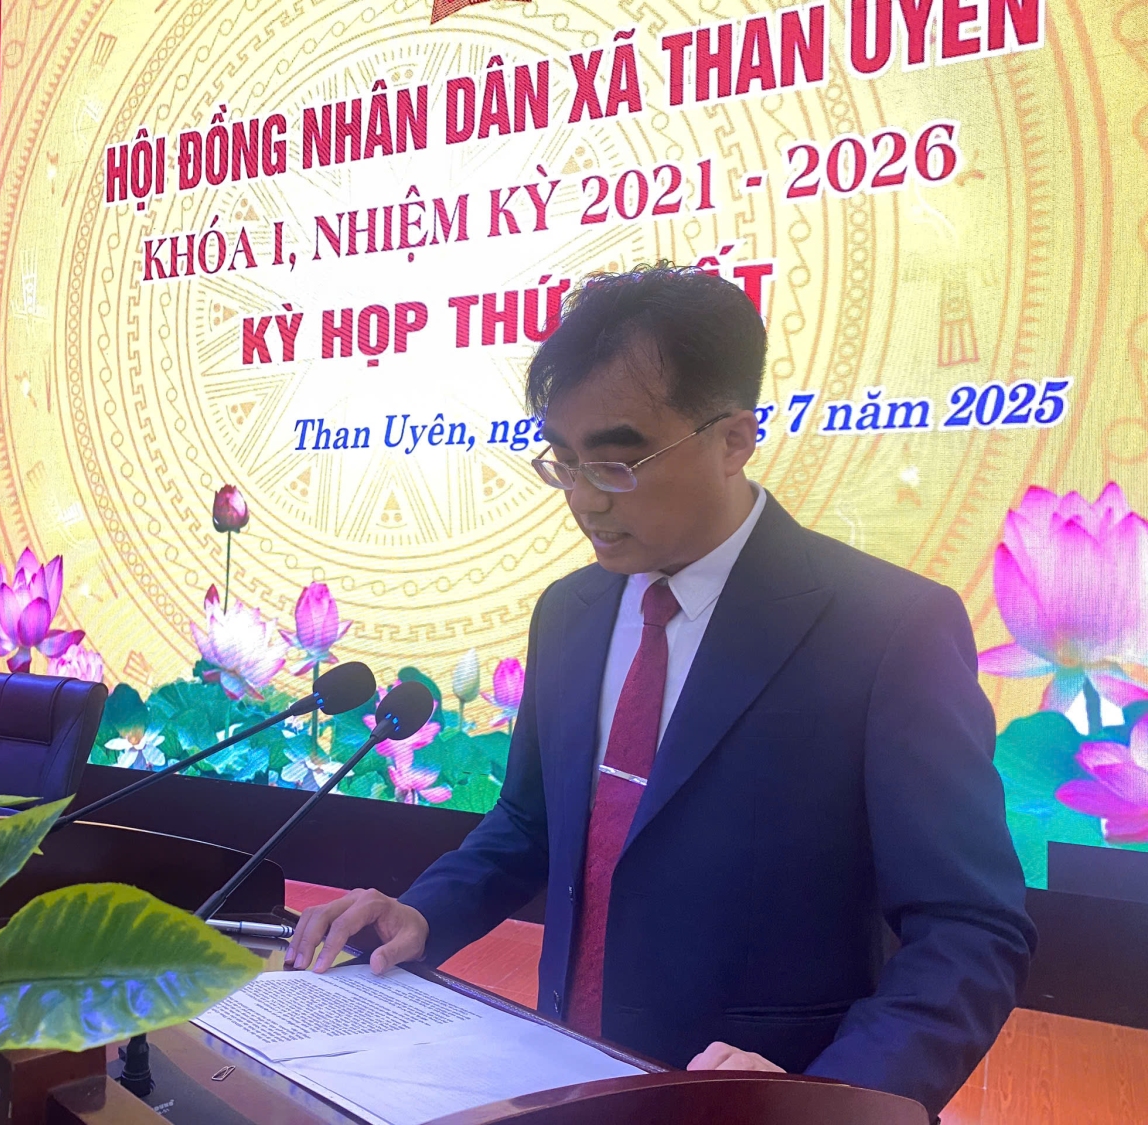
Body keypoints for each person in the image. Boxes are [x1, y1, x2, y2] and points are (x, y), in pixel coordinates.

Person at [286, 266, 1035, 1118]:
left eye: (615, 463)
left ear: (734, 438)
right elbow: (529, 823)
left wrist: (837, 1096)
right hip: (565, 1081)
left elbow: (971, 926)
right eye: (564, 462)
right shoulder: (570, 610)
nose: (583, 500)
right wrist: (423, 912)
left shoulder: (886, 626)